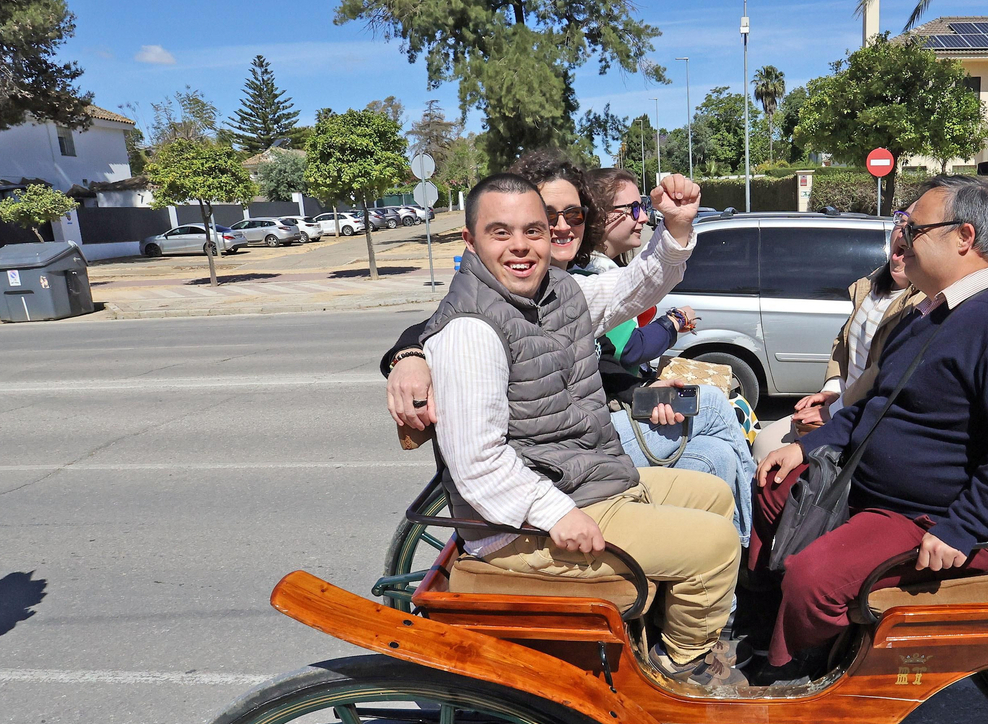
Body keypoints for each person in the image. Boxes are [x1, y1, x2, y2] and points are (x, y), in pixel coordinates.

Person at [424, 169, 747, 688]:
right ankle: (680, 668)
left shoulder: (556, 292)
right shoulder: (471, 331)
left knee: (714, 495)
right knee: (715, 545)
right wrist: (556, 513)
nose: (521, 246)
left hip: (583, 480)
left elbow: (630, 288)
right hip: (521, 524)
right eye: (500, 232)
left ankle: (660, 629)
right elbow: (477, 461)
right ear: (469, 240)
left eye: (533, 230)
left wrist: (676, 229)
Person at [751, 176, 988, 681]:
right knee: (771, 486)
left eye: (914, 227)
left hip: (931, 515)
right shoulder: (926, 315)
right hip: (873, 492)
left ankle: (793, 669)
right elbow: (876, 407)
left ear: (964, 237)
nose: (902, 237)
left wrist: (962, 527)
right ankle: (766, 620)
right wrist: (809, 448)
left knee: (815, 577)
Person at [382, 154, 756, 539]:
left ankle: (734, 553)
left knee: (714, 457)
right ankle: (745, 548)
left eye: (573, 215)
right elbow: (453, 324)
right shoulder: (495, 301)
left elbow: (628, 297)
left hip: (591, 443)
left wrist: (676, 226)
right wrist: (409, 355)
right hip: (559, 465)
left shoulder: (567, 286)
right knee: (713, 415)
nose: (561, 227)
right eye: (547, 217)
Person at [751, 226, 923, 461]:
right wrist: (833, 389)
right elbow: (844, 340)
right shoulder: (872, 285)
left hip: (865, 420)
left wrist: (835, 410)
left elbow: (881, 370)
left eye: (914, 226)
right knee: (763, 445)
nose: (904, 232)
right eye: (900, 221)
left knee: (768, 451)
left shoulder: (921, 303)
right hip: (843, 407)